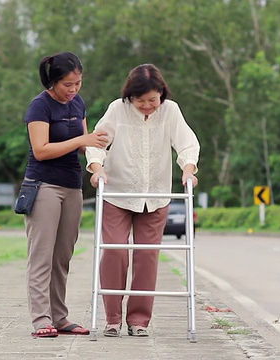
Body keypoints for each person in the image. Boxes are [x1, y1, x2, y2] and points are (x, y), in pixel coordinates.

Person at [85, 64, 200, 337]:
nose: (147, 106)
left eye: (152, 100)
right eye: (140, 101)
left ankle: (138, 320)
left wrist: (188, 169)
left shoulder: (171, 111)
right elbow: (96, 141)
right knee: (114, 250)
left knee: (147, 256)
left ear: (162, 94)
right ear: (129, 97)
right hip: (118, 194)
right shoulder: (117, 109)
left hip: (156, 195)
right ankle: (112, 318)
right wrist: (96, 167)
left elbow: (186, 144)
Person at [23, 52, 108, 338]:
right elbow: (41, 150)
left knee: (62, 256)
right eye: (67, 85)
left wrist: (100, 143)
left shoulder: (79, 103)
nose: (73, 90)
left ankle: (60, 317)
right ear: (52, 82)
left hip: (73, 185)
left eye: (78, 84)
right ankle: (41, 320)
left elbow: (85, 146)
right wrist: (82, 140)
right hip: (44, 185)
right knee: (42, 256)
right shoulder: (40, 106)